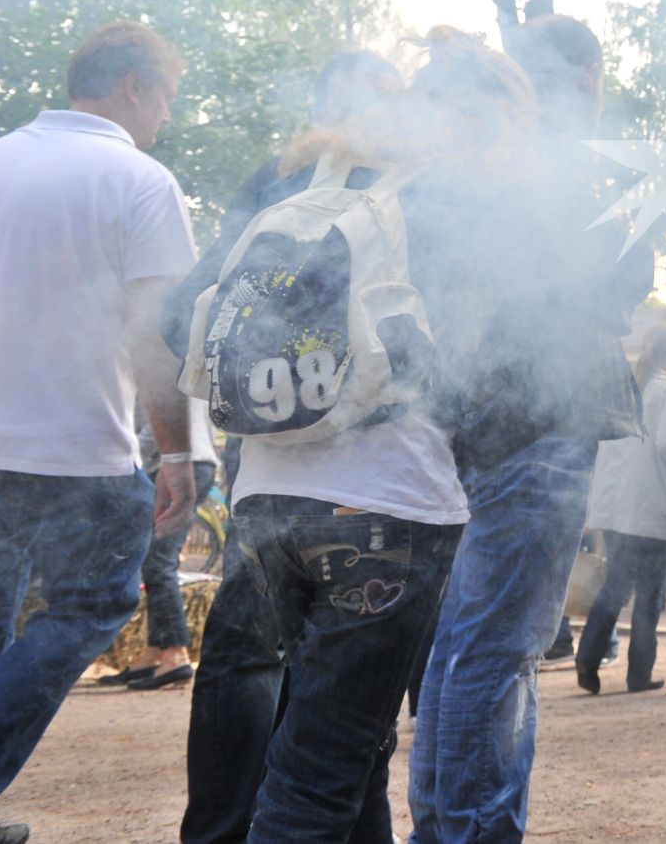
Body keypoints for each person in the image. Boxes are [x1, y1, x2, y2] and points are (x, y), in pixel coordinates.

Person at [181, 28, 545, 843]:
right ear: (494, 117)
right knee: (320, 771)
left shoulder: (301, 170)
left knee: (338, 743)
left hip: (264, 498)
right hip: (390, 508)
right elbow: (516, 380)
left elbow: (182, 318)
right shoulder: (466, 193)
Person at [408, 15, 651, 844]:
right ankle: (471, 832)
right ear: (586, 75)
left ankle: (443, 826)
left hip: (483, 427)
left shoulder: (484, 152)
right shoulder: (553, 162)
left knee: (464, 639)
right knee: (499, 647)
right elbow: (613, 279)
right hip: (543, 420)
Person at [170, 50, 407, 844]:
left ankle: (218, 833)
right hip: (387, 491)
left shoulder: (279, 182)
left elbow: (184, 315)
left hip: (266, 481)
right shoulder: (424, 190)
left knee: (245, 659)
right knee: (356, 694)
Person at [0, 22, 198, 844]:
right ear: (132, 88)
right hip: (81, 446)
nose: (166, 120)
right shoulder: (140, 180)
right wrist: (177, 450)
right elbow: (153, 336)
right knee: (97, 600)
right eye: (167, 100)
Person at [578, 326, 666, 694]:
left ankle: (587, 660)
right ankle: (639, 674)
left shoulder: (622, 390)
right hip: (650, 502)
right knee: (650, 594)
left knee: (615, 586)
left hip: (614, 503)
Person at [100, 398, 222, 691]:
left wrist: (121, 458)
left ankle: (175, 653)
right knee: (154, 561)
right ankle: (156, 650)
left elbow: (161, 418)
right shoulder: (178, 357)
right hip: (189, 461)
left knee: (159, 563)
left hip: (178, 465)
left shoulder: (153, 358)